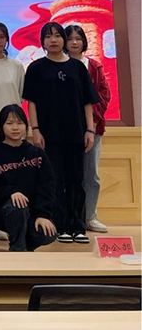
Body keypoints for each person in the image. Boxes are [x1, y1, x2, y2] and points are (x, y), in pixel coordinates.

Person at [23, 22, 98, 244]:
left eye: (57, 35)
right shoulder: (36, 68)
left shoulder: (78, 67)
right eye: (48, 36)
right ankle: (61, 225)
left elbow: (87, 102)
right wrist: (35, 130)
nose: (53, 40)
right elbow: (32, 102)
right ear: (42, 42)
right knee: (54, 180)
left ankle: (78, 226)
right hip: (48, 134)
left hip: (76, 132)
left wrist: (90, 129)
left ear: (64, 39)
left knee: (76, 179)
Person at [0, 105, 57, 252]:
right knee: (17, 207)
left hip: (30, 212)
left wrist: (43, 215)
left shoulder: (37, 153)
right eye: (9, 123)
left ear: (26, 125)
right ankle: (18, 250)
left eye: (20, 123)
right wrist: (11, 192)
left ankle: (24, 247)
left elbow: (46, 186)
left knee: (46, 232)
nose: (15, 127)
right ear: (1, 126)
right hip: (2, 210)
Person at [65, 24, 113, 234]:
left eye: (78, 38)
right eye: (70, 39)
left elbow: (103, 96)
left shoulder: (94, 66)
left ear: (84, 41)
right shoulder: (58, 66)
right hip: (65, 130)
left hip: (92, 129)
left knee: (90, 173)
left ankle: (90, 216)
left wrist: (90, 123)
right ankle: (68, 217)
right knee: (66, 174)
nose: (74, 42)